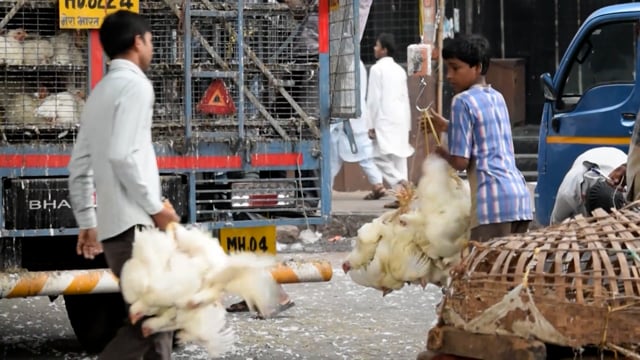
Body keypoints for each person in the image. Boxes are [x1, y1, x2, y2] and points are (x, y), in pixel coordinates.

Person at [68, 10, 180, 359]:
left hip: (116, 232)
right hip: (135, 228)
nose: (152, 47)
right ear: (138, 41)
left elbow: (79, 166)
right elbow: (122, 155)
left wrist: (88, 221)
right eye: (150, 40)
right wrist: (156, 207)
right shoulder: (136, 86)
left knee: (158, 327)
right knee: (156, 320)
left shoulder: (99, 93)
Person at [428, 33, 533, 242]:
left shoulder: (461, 101)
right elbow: (484, 133)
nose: (449, 75)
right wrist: (449, 126)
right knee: (510, 272)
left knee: (483, 271)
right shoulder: (497, 96)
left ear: (477, 67)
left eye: (455, 68)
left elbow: (460, 162)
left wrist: (442, 154)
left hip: (492, 204)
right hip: (519, 200)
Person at [367, 33, 415, 208]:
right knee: (399, 156)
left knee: (376, 156)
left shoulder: (376, 69)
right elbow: (405, 97)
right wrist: (408, 124)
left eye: (377, 45)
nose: (374, 48)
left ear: (384, 50)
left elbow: (373, 99)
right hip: (400, 117)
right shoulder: (399, 70)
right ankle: (403, 197)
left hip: (384, 117)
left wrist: (370, 124)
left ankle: (400, 182)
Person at [331, 59, 386, 199]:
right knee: (365, 152)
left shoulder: (342, 61)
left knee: (331, 155)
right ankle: (377, 182)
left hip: (342, 113)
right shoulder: (359, 62)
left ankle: (325, 187)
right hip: (357, 112)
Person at [550, 147, 627, 224]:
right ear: (583, 197)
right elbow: (556, 222)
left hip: (617, 157)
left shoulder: (626, 187)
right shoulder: (567, 192)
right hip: (586, 157)